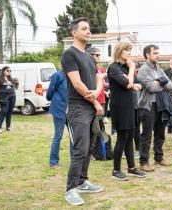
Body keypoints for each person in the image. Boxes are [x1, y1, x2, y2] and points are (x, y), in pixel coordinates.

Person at [62, 17, 104, 206]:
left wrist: (96, 94)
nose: (88, 31)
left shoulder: (88, 55)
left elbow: (98, 77)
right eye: (84, 29)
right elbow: (77, 84)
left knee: (89, 148)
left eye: (89, 28)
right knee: (79, 149)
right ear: (74, 33)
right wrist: (95, 100)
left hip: (91, 105)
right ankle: (71, 189)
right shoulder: (69, 55)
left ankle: (82, 181)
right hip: (78, 108)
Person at [108, 42, 146, 181]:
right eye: (126, 50)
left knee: (130, 137)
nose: (129, 53)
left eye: (130, 50)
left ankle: (131, 167)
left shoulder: (126, 68)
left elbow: (139, 84)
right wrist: (131, 70)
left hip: (132, 106)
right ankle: (116, 170)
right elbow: (128, 84)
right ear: (119, 51)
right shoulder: (114, 68)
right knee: (122, 138)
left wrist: (132, 83)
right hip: (121, 108)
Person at [137, 44, 172, 172]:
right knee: (146, 135)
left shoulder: (159, 69)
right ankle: (143, 161)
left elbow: (171, 85)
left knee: (160, 133)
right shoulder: (143, 70)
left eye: (158, 52)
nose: (157, 55)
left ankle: (159, 157)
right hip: (148, 106)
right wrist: (161, 82)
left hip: (160, 105)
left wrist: (159, 82)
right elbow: (151, 88)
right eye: (155, 53)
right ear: (147, 55)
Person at [46, 70, 68, 168]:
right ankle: (53, 161)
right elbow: (50, 92)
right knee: (58, 135)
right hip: (59, 108)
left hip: (72, 110)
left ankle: (75, 161)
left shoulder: (75, 73)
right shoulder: (58, 75)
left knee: (75, 137)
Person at [0, 66, 18, 134]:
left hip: (12, 96)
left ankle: (8, 127)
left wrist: (17, 83)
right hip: (3, 97)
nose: (9, 72)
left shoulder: (11, 79)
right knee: (4, 111)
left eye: (10, 71)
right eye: (7, 70)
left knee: (9, 112)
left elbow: (16, 87)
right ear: (3, 71)